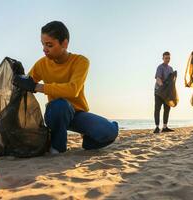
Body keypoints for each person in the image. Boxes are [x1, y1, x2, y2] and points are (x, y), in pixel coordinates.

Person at [13, 21, 119, 153]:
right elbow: (27, 85)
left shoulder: (81, 61)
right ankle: (57, 148)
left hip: (77, 114)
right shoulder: (41, 64)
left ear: (64, 43)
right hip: (56, 113)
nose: (44, 49)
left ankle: (88, 141)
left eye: (49, 45)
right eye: (43, 44)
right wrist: (20, 80)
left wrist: (37, 87)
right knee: (60, 105)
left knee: (110, 131)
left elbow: (73, 89)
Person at [153, 51, 175, 133]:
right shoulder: (160, 67)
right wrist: (162, 87)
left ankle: (165, 127)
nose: (167, 59)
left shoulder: (171, 68)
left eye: (169, 58)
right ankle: (157, 127)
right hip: (159, 91)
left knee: (167, 109)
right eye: (166, 58)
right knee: (157, 109)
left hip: (167, 93)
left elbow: (171, 81)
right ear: (163, 58)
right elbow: (158, 79)